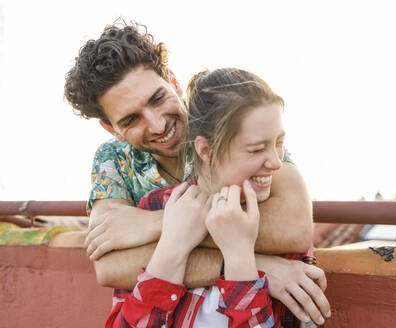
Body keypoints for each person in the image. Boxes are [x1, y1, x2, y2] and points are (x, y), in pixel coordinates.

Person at [64, 21, 330, 325]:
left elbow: (292, 228)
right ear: (111, 129)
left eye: (157, 99)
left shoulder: (225, 121)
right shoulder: (112, 159)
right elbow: (112, 266)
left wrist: (156, 224)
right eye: (131, 119)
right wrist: (258, 266)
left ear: (173, 81)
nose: (157, 124)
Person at [107, 67, 306, 327]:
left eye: (279, 142)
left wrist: (239, 257)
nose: (276, 162)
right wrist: (172, 247)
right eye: (256, 149)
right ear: (206, 150)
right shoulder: (154, 205)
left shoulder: (277, 217)